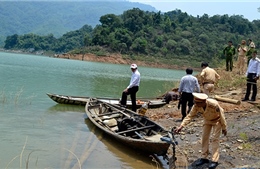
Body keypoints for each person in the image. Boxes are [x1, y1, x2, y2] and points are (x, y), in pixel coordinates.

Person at [174, 93, 227, 169]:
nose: (196, 105)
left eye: (198, 103)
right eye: (195, 103)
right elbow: (190, 116)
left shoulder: (213, 104)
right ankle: (204, 157)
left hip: (217, 121)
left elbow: (221, 115)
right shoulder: (196, 106)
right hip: (207, 120)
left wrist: (224, 127)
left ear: (204, 101)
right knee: (204, 138)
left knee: (215, 139)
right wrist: (181, 126)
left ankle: (214, 160)